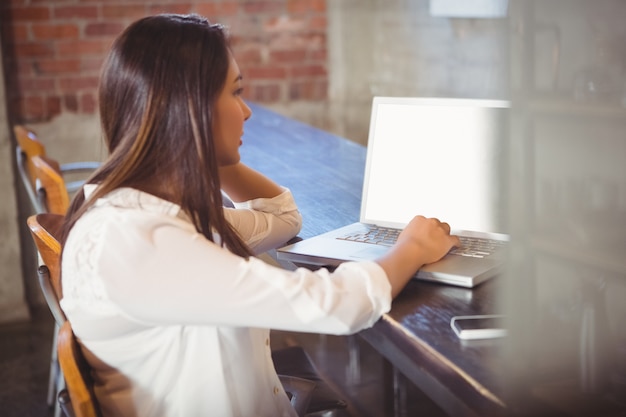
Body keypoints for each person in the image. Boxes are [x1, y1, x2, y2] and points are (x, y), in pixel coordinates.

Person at [59, 13, 460, 417]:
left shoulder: (153, 212)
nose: (247, 111)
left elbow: (281, 219)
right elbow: (337, 305)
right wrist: (412, 246)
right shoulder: (138, 240)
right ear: (189, 108)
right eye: (235, 93)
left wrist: (203, 147)